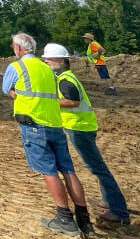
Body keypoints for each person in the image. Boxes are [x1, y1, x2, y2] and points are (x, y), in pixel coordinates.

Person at [2, 32, 94, 237]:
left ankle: (64, 219)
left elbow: (7, 89)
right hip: (55, 124)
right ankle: (84, 220)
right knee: (68, 170)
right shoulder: (48, 69)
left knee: (49, 172)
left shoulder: (16, 67)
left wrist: (17, 95)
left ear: (18, 48)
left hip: (34, 125)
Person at [41, 43, 130, 227]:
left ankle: (119, 211)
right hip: (83, 127)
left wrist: (51, 102)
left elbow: (72, 101)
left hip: (80, 128)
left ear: (61, 61)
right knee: (97, 167)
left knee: (99, 169)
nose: (46, 62)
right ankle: (108, 201)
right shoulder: (65, 76)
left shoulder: (65, 80)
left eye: (48, 59)